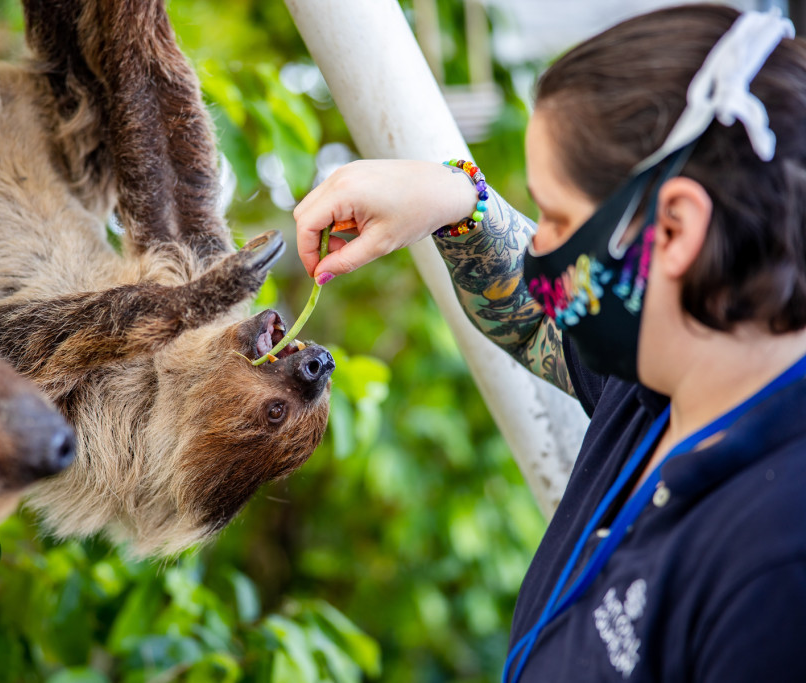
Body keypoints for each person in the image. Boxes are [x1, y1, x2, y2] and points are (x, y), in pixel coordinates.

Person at [293, 4, 806, 682]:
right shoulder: (661, 379)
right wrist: (457, 201)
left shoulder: (777, 575)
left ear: (675, 229)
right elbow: (539, 322)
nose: (540, 247)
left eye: (558, 219)